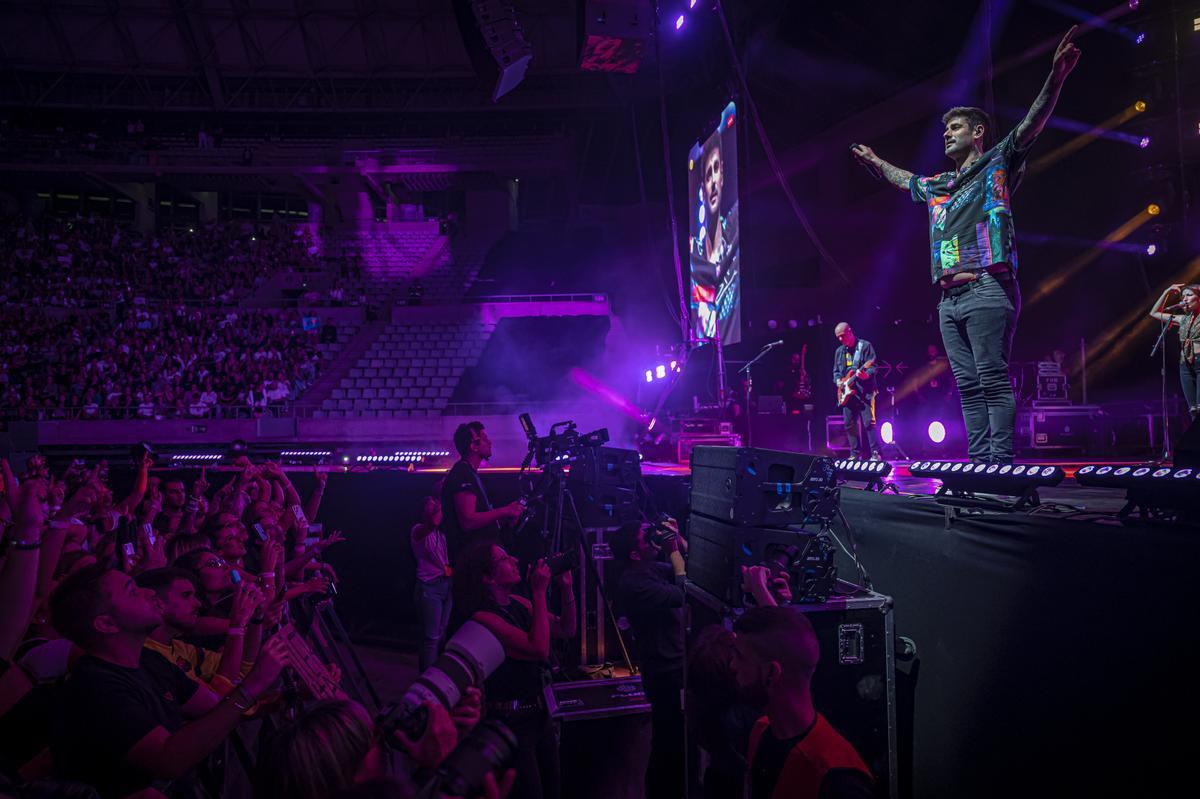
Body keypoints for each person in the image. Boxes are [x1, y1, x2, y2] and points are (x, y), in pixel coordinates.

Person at [851, 27, 1081, 464]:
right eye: (945, 129)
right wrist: (875, 161)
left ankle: (1002, 465)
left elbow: (1032, 123)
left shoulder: (999, 160)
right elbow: (904, 180)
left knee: (992, 378)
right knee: (968, 385)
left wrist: (1056, 77)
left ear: (978, 132)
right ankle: (981, 468)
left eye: (955, 127)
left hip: (986, 289)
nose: (946, 134)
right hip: (948, 299)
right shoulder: (939, 185)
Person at [48, 565, 289, 799]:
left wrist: (292, 695)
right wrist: (253, 685)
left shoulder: (149, 660)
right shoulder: (94, 688)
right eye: (133, 591)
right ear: (106, 624)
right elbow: (169, 760)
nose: (149, 592)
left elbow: (218, 707)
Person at [452, 542, 575, 799]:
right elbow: (538, 648)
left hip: (540, 716)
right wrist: (539, 593)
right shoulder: (483, 618)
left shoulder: (519, 603)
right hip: (510, 723)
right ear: (487, 577)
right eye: (504, 559)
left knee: (554, 790)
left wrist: (566, 589)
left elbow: (566, 630)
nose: (515, 560)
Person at [731, 607, 873, 799]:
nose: (732, 665)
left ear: (772, 673)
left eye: (740, 657)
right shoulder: (761, 731)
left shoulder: (838, 780)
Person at [610, 517, 686, 799]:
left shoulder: (650, 569)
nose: (652, 537)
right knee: (668, 742)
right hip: (663, 670)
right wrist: (672, 549)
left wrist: (675, 541)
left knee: (676, 741)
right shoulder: (634, 583)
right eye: (646, 536)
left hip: (673, 665)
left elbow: (687, 567)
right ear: (634, 553)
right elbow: (683, 590)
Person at [441, 422, 523, 564]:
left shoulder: (470, 473)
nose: (489, 442)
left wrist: (506, 515)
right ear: (473, 446)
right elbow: (468, 521)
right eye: (484, 439)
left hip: (478, 562)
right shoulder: (463, 474)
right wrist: (504, 511)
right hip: (472, 566)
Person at [410, 495, 451, 672]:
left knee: (441, 635)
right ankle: (428, 682)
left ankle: (436, 676)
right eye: (429, 504)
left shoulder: (442, 532)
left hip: (447, 585)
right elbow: (433, 522)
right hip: (429, 588)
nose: (433, 505)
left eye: (435, 502)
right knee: (431, 639)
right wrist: (443, 501)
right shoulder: (418, 530)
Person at [1149, 283, 1200, 422]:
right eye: (1183, 296)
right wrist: (1166, 291)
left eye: (1189, 295)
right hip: (1185, 366)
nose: (1184, 299)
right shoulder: (1182, 319)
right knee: (1193, 410)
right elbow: (1154, 313)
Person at [832, 323, 880, 461]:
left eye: (842, 336)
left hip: (865, 391)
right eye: (838, 337)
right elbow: (835, 372)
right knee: (849, 423)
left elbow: (873, 366)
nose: (840, 339)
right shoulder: (839, 352)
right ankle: (854, 453)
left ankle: (875, 453)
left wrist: (866, 375)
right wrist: (838, 381)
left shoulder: (864, 346)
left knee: (868, 423)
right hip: (847, 393)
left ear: (850, 331)